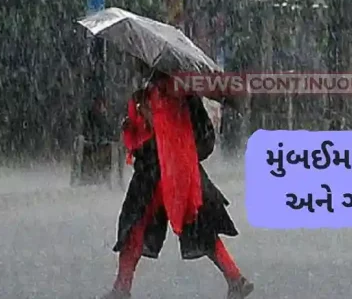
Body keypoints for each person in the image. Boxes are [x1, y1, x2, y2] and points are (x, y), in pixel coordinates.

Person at [99, 71, 254, 299]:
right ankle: (234, 278)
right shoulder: (168, 95)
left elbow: (149, 138)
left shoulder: (166, 96)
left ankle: (122, 288)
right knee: (195, 227)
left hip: (163, 173)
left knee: (136, 227)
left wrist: (150, 121)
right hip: (176, 172)